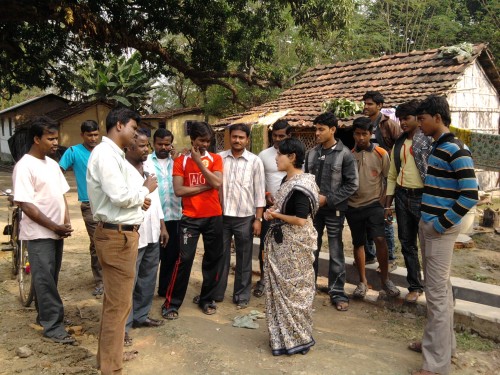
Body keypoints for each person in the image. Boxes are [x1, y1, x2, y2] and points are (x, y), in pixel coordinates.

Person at [87, 107, 157, 375]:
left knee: (115, 304)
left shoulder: (112, 155)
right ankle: (111, 368)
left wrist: (139, 199)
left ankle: (107, 359)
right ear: (119, 125)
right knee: (119, 306)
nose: (135, 134)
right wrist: (144, 191)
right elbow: (119, 195)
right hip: (117, 236)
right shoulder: (105, 155)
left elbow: (123, 196)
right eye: (133, 128)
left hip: (121, 232)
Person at [411, 96, 478, 375]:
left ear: (438, 117)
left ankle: (436, 365)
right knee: (441, 291)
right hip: (429, 226)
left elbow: (470, 194)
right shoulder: (438, 146)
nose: (419, 125)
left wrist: (441, 223)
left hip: (438, 229)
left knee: (436, 295)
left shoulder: (456, 149)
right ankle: (441, 346)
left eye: (422, 119)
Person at [12, 116, 75, 344]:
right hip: (39, 234)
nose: (56, 142)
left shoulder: (52, 165)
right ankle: (53, 327)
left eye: (56, 138)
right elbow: (26, 205)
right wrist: (54, 226)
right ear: (37, 139)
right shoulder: (25, 166)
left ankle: (45, 317)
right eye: (51, 138)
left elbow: (62, 196)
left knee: (50, 278)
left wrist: (65, 223)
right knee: (45, 280)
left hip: (57, 232)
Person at [161, 121, 224, 320]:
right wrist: (207, 186)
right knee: (184, 259)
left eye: (208, 140)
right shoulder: (181, 161)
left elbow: (218, 182)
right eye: (201, 140)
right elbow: (179, 190)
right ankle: (172, 303)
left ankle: (207, 299)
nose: (205, 144)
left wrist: (199, 163)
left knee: (213, 259)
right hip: (190, 218)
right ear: (193, 139)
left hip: (213, 216)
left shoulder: (215, 159)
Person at [263, 138, 319, 356]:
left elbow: (300, 220)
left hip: (294, 246)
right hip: (282, 243)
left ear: (292, 157)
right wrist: (273, 210)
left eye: (280, 155)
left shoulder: (300, 185)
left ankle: (299, 337)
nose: (276, 158)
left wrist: (275, 214)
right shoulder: (286, 181)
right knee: (284, 291)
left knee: (294, 292)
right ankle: (284, 337)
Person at [304, 112, 359, 312]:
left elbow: (352, 184)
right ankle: (308, 288)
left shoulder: (345, 154)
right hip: (313, 210)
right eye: (315, 129)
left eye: (321, 129)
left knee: (336, 251)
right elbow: (306, 180)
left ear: (333, 130)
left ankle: (337, 292)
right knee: (311, 248)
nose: (317, 133)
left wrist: (328, 198)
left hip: (335, 210)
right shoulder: (311, 153)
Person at [346, 117, 400, 299]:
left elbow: (389, 178)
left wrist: (385, 204)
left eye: (364, 134)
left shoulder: (381, 153)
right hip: (353, 206)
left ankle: (385, 280)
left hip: (374, 204)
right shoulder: (349, 155)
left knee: (380, 238)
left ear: (371, 134)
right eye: (357, 134)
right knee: (358, 243)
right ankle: (362, 282)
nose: (360, 137)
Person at [385, 100, 432, 303]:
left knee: (428, 245)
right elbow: (392, 175)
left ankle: (434, 288)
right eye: (400, 118)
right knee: (407, 243)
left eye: (407, 118)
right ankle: (414, 285)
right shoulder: (399, 143)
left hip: (424, 196)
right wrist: (388, 204)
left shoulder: (428, 141)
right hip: (403, 196)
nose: (403, 122)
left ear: (417, 119)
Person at [124, 130, 167, 347]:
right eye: (141, 146)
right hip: (133, 234)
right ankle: (123, 326)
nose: (146, 150)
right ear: (129, 147)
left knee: (148, 277)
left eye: (146, 145)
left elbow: (155, 199)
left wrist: (162, 226)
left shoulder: (148, 169)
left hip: (152, 232)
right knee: (127, 281)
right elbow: (127, 200)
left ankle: (141, 316)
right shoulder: (122, 171)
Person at [215, 124, 266, 308]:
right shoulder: (219, 158)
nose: (237, 140)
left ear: (247, 140)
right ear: (229, 137)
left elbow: (259, 192)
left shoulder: (255, 161)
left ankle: (241, 295)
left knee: (244, 259)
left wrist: (258, 219)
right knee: (220, 257)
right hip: (222, 216)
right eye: (234, 136)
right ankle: (217, 293)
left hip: (245, 218)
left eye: (241, 137)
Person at [59, 120, 103, 296]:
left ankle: (111, 277)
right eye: (89, 135)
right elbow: (58, 171)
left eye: (96, 135)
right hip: (89, 204)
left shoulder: (104, 150)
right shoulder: (73, 152)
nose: (93, 138)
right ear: (82, 135)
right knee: (97, 242)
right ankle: (100, 280)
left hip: (109, 202)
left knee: (110, 240)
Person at [362, 91, 401, 268]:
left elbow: (400, 145)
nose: (366, 106)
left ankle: (390, 258)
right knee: (366, 217)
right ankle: (370, 256)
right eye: (365, 103)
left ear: (379, 106)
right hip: (368, 177)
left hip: (385, 176)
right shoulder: (363, 124)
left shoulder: (389, 124)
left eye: (370, 104)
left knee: (384, 216)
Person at [253, 120, 290, 298]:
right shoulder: (263, 155)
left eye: (281, 136)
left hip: (290, 210)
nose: (277, 139)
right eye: (274, 135)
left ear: (288, 135)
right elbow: (259, 181)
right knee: (265, 245)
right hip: (269, 209)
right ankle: (263, 279)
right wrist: (266, 193)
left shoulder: (295, 154)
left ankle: (283, 283)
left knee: (286, 246)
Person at [146, 128, 183, 298]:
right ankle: (145, 293)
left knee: (171, 256)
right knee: (153, 257)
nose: (163, 147)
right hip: (153, 217)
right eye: (160, 144)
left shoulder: (179, 161)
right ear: (153, 144)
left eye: (167, 144)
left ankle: (164, 291)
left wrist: (177, 161)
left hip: (175, 216)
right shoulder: (146, 162)